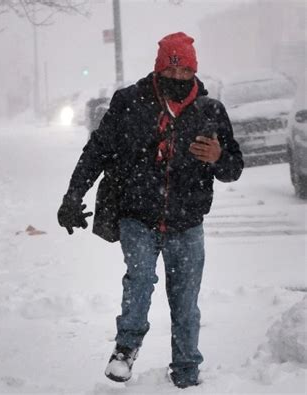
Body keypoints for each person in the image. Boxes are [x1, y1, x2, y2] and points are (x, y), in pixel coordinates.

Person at [57, 32, 243, 388]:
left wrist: (220, 158)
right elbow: (97, 150)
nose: (177, 78)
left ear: (194, 71)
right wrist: (72, 195)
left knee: (185, 302)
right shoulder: (130, 102)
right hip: (137, 216)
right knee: (139, 281)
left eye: (184, 71)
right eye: (170, 71)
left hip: (187, 223)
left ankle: (186, 371)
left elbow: (234, 168)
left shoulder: (210, 111)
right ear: (158, 70)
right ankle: (125, 350)